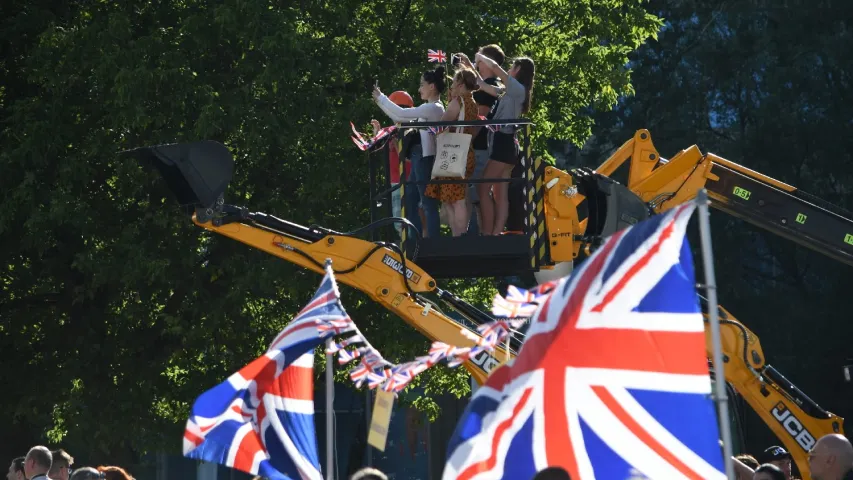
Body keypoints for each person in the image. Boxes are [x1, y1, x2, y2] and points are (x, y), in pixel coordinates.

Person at [373, 66, 447, 238]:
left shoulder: (434, 108)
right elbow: (399, 117)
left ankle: (431, 242)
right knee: (411, 201)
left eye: (422, 85)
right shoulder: (430, 107)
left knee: (427, 203)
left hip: (424, 156)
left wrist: (381, 98)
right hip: (418, 156)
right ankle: (415, 241)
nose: (419, 89)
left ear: (432, 86)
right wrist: (379, 100)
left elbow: (400, 113)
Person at [470, 53, 535, 236]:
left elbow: (497, 68)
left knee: (482, 188)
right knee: (500, 195)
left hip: (504, 144)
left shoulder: (517, 89)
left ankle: (489, 234)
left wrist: (481, 55)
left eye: (512, 66)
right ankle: (497, 233)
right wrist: (468, 64)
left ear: (519, 70)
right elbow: (483, 85)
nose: (508, 69)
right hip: (504, 145)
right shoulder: (510, 91)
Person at [424, 67, 480, 236]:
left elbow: (442, 123)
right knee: (450, 198)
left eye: (455, 82)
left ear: (462, 84)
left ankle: (459, 236)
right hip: (466, 150)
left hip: (454, 152)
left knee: (456, 199)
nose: (452, 86)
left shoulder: (459, 102)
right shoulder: (472, 103)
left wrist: (450, 104)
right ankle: (458, 235)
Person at [456, 45, 505, 234]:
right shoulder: (490, 83)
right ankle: (485, 234)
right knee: (478, 194)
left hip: (479, 146)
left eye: (479, 60)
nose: (476, 63)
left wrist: (465, 142)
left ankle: (481, 236)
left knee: (477, 195)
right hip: (482, 145)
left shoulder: (490, 84)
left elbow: (480, 118)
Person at [370, 90, 415, 237]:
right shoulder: (389, 132)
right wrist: (376, 132)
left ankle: (411, 243)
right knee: (397, 220)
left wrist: (396, 145)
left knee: (410, 215)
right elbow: (375, 148)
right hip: (395, 182)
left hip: (408, 181)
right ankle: (405, 244)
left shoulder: (411, 133)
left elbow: (407, 157)